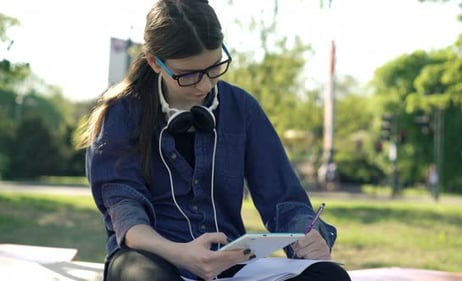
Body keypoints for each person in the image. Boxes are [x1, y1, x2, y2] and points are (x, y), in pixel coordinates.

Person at [76, 1, 351, 280]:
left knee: (329, 276)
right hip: (154, 260)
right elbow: (126, 215)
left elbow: (285, 200)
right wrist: (181, 254)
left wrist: (308, 235)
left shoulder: (242, 108)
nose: (206, 85)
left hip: (232, 265)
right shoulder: (120, 114)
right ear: (153, 62)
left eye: (214, 67)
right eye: (188, 75)